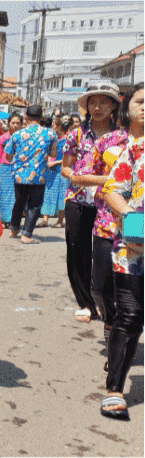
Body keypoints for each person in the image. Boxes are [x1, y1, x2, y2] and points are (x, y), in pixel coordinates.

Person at [99, 83, 143, 420]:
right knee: (129, 318)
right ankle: (115, 388)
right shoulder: (135, 151)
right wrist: (134, 224)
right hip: (134, 250)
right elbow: (113, 191)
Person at [62, 82, 122, 324]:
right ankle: (86, 303)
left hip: (112, 205)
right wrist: (85, 179)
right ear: (86, 107)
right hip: (78, 200)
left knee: (112, 252)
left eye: (104, 102)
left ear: (114, 106)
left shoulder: (124, 136)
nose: (97, 107)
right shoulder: (76, 134)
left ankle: (113, 300)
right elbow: (66, 168)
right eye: (93, 103)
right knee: (78, 252)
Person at [90, 83, 139, 347]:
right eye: (139, 102)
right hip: (109, 224)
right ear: (126, 107)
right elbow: (85, 172)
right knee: (100, 286)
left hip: (140, 225)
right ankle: (110, 319)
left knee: (131, 291)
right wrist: (111, 183)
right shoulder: (109, 142)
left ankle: (120, 341)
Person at [5, 105, 58, 244]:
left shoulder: (17, 134)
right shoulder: (51, 134)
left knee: (19, 203)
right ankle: (26, 235)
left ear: (26, 118)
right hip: (38, 176)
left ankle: (14, 229)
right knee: (34, 206)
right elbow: (53, 154)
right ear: (41, 117)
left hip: (19, 176)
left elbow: (8, 156)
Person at [39, 115, 72, 228]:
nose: (53, 128)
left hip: (62, 171)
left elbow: (70, 157)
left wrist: (55, 162)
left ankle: (60, 220)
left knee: (62, 195)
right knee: (48, 194)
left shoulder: (68, 140)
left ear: (59, 127)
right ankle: (45, 219)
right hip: (51, 171)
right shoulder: (53, 139)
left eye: (54, 125)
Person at [0, 113, 22, 228]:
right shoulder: (3, 138)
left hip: (19, 169)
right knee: (5, 194)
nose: (15, 125)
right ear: (9, 123)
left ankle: (14, 221)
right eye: (13, 123)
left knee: (17, 196)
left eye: (18, 123)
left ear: (21, 124)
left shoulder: (23, 137)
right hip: (5, 169)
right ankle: (4, 220)